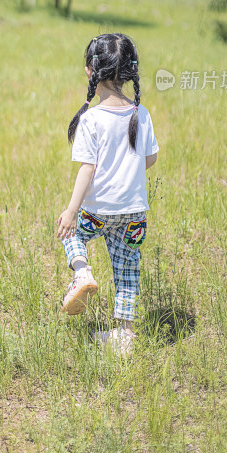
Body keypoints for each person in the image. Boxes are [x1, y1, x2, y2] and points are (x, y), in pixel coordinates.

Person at [56, 33, 159, 354]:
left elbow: (87, 169)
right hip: (134, 212)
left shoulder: (92, 119)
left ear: (90, 71)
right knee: (127, 269)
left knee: (69, 234)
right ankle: (125, 336)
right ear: (129, 71)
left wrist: (72, 210)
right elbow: (151, 158)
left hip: (98, 210)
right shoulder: (141, 114)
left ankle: (82, 272)